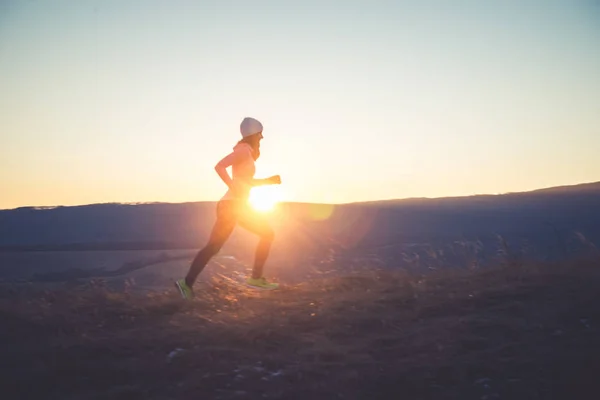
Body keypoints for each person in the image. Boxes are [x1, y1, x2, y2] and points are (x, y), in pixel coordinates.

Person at [175, 117, 281, 299]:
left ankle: (186, 284)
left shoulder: (245, 152)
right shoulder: (243, 152)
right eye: (260, 134)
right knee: (267, 234)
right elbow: (219, 166)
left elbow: (245, 182)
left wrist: (267, 181)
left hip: (232, 205)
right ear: (254, 135)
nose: (262, 138)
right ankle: (255, 278)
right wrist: (232, 187)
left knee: (213, 247)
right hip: (233, 205)